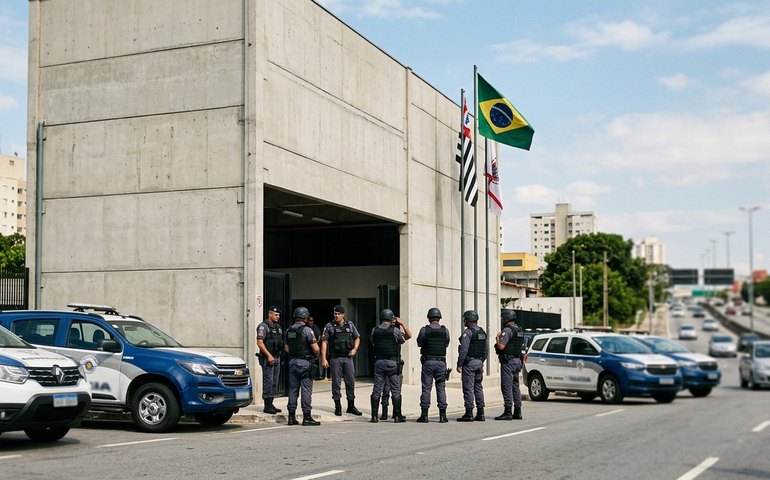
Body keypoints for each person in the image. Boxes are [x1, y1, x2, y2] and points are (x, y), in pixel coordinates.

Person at [369, 308, 412, 423]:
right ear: (391, 319)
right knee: (395, 389)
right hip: (392, 363)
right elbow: (408, 336)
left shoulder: (375, 330)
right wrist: (402, 323)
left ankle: (374, 416)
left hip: (379, 362)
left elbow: (373, 342)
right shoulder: (395, 331)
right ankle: (398, 416)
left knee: (377, 389)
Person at [320, 305, 363, 416]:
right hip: (335, 358)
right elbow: (324, 342)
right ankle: (337, 406)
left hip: (348, 358)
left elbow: (357, 338)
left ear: (343, 314)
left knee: (350, 382)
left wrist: (355, 349)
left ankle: (351, 406)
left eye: (339, 314)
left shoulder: (350, 325)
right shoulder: (329, 326)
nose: (337, 316)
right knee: (336, 383)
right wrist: (324, 358)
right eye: (335, 314)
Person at [284, 307, 321, 426]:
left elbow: (286, 348)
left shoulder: (288, 330)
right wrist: (316, 356)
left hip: (293, 362)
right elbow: (315, 348)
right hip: (305, 363)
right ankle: (307, 417)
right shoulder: (307, 330)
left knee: (293, 390)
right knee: (306, 390)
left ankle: (291, 417)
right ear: (305, 317)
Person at [415, 307, 450, 423]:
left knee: (426, 388)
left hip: (428, 362)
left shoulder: (424, 330)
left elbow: (419, 342)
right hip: (441, 362)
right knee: (441, 388)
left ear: (429, 318)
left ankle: (424, 416)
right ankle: (443, 416)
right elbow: (446, 343)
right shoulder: (445, 330)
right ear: (439, 318)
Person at [455, 309, 488, 422]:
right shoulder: (482, 332)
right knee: (478, 387)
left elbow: (463, 350)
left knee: (468, 387)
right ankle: (481, 413)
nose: (464, 321)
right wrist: (480, 361)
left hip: (469, 363)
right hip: (479, 363)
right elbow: (486, 350)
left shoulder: (468, 333)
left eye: (465, 319)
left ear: (469, 320)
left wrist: (459, 364)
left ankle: (469, 413)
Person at [494, 309, 524, 420]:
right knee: (515, 386)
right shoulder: (519, 330)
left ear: (506, 319)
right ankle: (518, 411)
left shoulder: (507, 330)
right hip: (517, 361)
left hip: (508, 362)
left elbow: (501, 346)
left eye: (502, 318)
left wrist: (497, 339)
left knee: (506, 387)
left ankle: (507, 412)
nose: (502, 320)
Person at [256, 306, 283, 414]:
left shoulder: (278, 327)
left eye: (278, 315)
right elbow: (260, 342)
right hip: (268, 358)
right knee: (268, 381)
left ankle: (271, 403)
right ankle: (267, 406)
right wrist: (268, 355)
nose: (277, 317)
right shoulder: (263, 326)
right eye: (276, 315)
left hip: (276, 357)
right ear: (269, 314)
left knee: (274, 382)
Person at [307, 316, 325, 380]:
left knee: (318, 361)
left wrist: (315, 344)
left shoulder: (315, 327)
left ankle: (320, 375)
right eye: (309, 320)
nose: (310, 322)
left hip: (315, 347)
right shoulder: (306, 328)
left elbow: (319, 336)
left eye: (312, 320)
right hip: (308, 349)